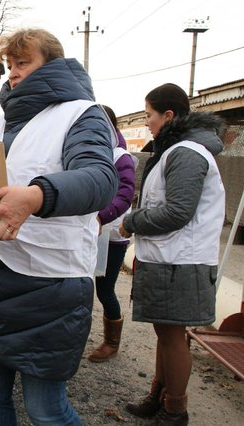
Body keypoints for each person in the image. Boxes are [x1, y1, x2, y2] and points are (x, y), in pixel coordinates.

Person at [0, 28, 118, 425]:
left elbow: (100, 179)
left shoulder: (82, 113)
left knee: (45, 409)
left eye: (23, 63)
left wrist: (35, 196)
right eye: (9, 65)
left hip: (52, 282)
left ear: (53, 64)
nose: (12, 73)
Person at [119, 83, 225, 426]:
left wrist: (132, 222)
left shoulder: (187, 152)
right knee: (166, 336)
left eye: (149, 115)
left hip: (181, 261)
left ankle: (175, 410)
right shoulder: (175, 149)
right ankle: (159, 397)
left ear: (168, 115)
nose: (147, 122)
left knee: (173, 338)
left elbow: (178, 212)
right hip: (169, 259)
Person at [87, 105, 137, 363]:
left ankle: (111, 342)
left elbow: (125, 195)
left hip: (112, 235)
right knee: (81, 285)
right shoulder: (93, 151)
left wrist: (100, 216)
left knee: (105, 289)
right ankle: (75, 335)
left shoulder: (120, 156)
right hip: (89, 232)